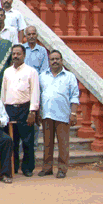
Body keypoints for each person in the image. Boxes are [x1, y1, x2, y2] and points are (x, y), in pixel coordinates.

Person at [38, 50, 79, 179]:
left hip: (63, 114)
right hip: (47, 114)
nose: (54, 61)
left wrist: (73, 113)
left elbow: (75, 96)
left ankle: (62, 169)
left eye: (57, 59)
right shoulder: (42, 76)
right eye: (52, 59)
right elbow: (38, 95)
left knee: (63, 143)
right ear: (49, 61)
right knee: (47, 143)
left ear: (62, 60)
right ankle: (47, 168)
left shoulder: (69, 76)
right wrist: (38, 111)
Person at [1, 44, 40, 177]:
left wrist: (32, 111)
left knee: (27, 140)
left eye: (18, 54)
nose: (16, 56)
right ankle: (14, 166)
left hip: (25, 109)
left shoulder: (31, 71)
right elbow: (3, 92)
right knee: (12, 140)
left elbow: (35, 92)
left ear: (24, 55)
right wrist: (2, 110)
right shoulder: (7, 72)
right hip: (9, 110)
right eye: (14, 54)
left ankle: (28, 168)